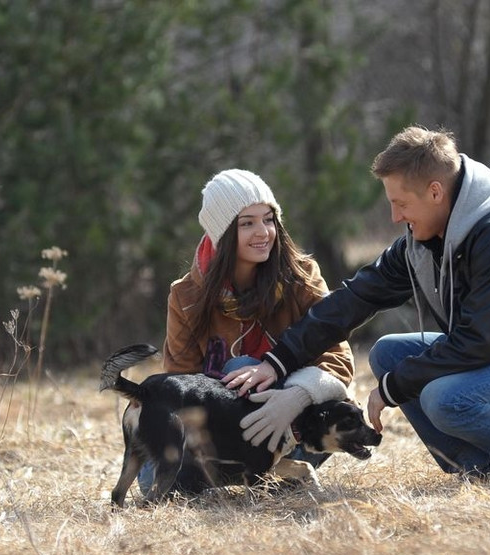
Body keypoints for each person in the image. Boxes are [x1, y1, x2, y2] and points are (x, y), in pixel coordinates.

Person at [224, 126, 490, 492]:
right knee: (388, 352)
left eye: (400, 204)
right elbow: (355, 298)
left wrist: (393, 388)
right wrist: (278, 362)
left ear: (435, 192)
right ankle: (481, 476)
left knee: (444, 398)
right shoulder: (423, 237)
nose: (396, 217)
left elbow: (477, 343)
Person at [137, 169, 355, 495]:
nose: (263, 232)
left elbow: (338, 356)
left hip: (297, 423)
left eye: (269, 219)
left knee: (239, 369)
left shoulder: (301, 275)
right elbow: (181, 383)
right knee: (150, 480)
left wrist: (294, 397)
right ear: (222, 233)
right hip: (225, 432)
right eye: (247, 223)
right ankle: (252, 472)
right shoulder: (185, 296)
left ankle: (281, 468)